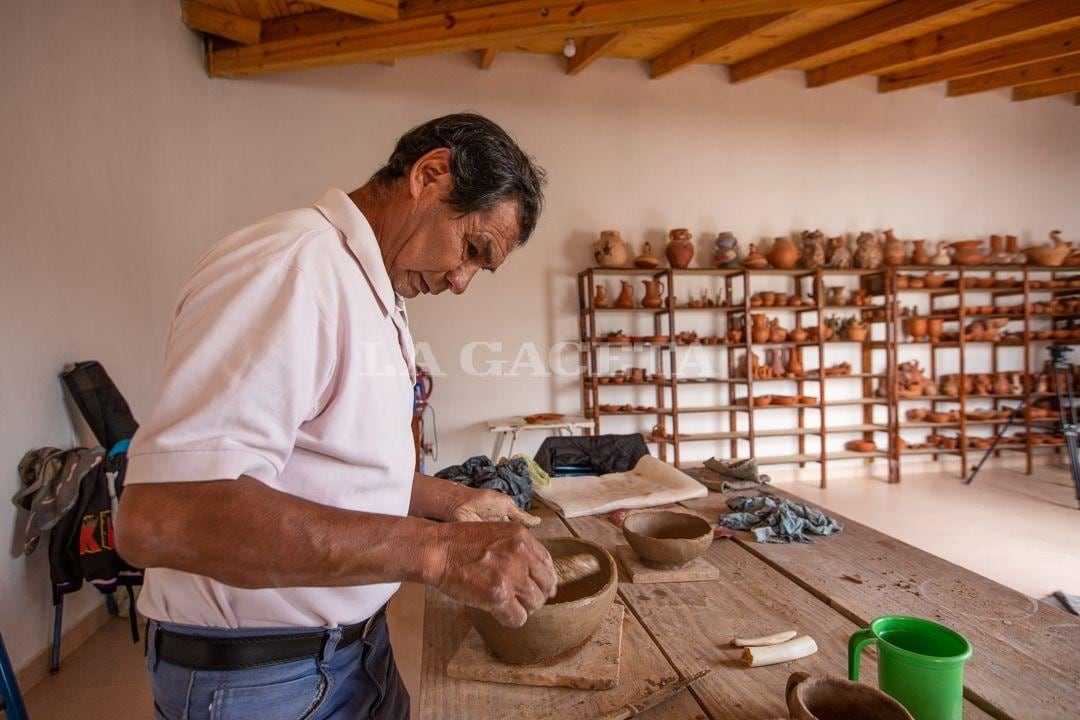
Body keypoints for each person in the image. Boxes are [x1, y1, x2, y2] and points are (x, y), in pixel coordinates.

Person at [115, 113, 551, 719]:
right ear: (430, 174)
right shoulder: (292, 267)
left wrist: (444, 500)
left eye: (482, 267)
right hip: (261, 680)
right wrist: (441, 552)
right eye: (471, 249)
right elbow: (163, 515)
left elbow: (330, 466)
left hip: (353, 652)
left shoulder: (374, 288)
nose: (461, 282)